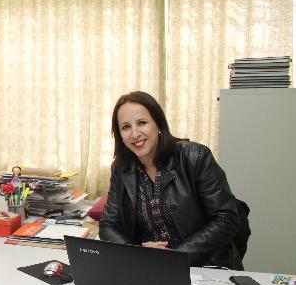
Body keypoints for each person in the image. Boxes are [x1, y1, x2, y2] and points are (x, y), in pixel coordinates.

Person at [99, 91, 244, 269]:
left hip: (208, 267)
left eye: (142, 123)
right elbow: (108, 225)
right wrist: (136, 252)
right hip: (153, 268)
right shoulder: (121, 168)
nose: (135, 133)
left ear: (158, 124)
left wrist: (176, 257)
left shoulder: (195, 157)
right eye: (126, 127)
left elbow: (226, 218)